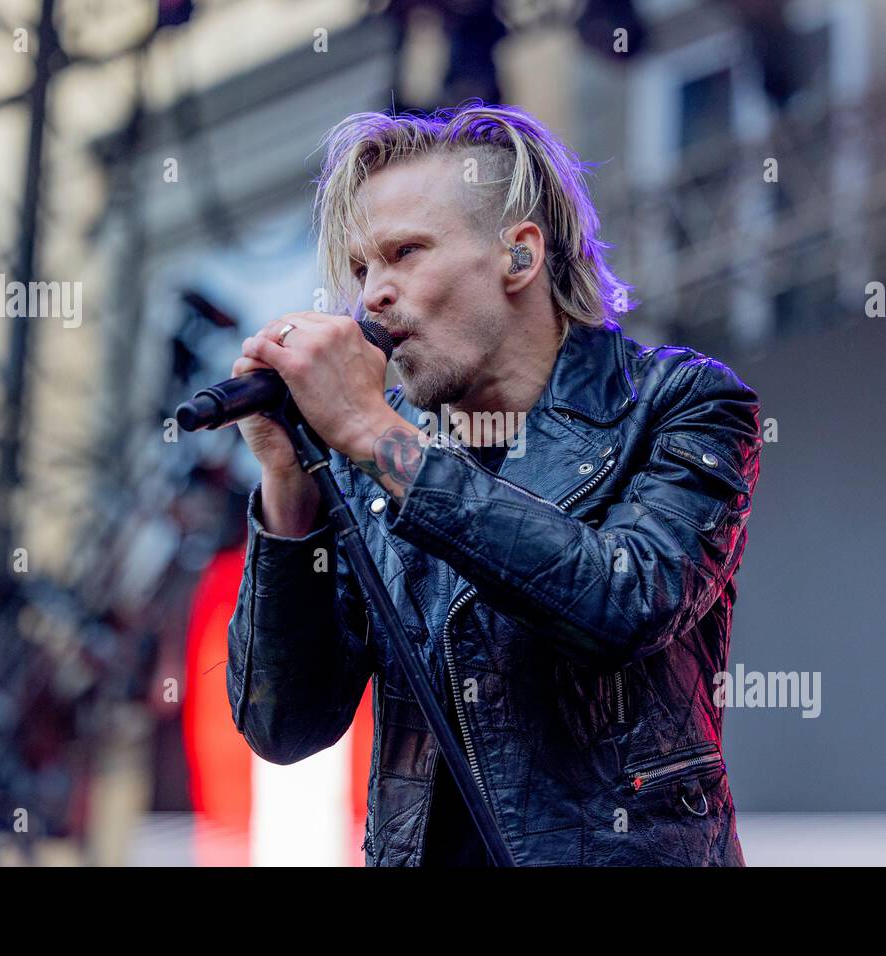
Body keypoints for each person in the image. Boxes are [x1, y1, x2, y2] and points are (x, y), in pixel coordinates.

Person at [225, 102, 760, 866]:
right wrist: (289, 488)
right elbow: (284, 727)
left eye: (404, 252)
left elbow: (624, 602)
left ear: (520, 256)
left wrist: (375, 435)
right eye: (360, 269)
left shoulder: (679, 405)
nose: (371, 294)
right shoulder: (371, 458)